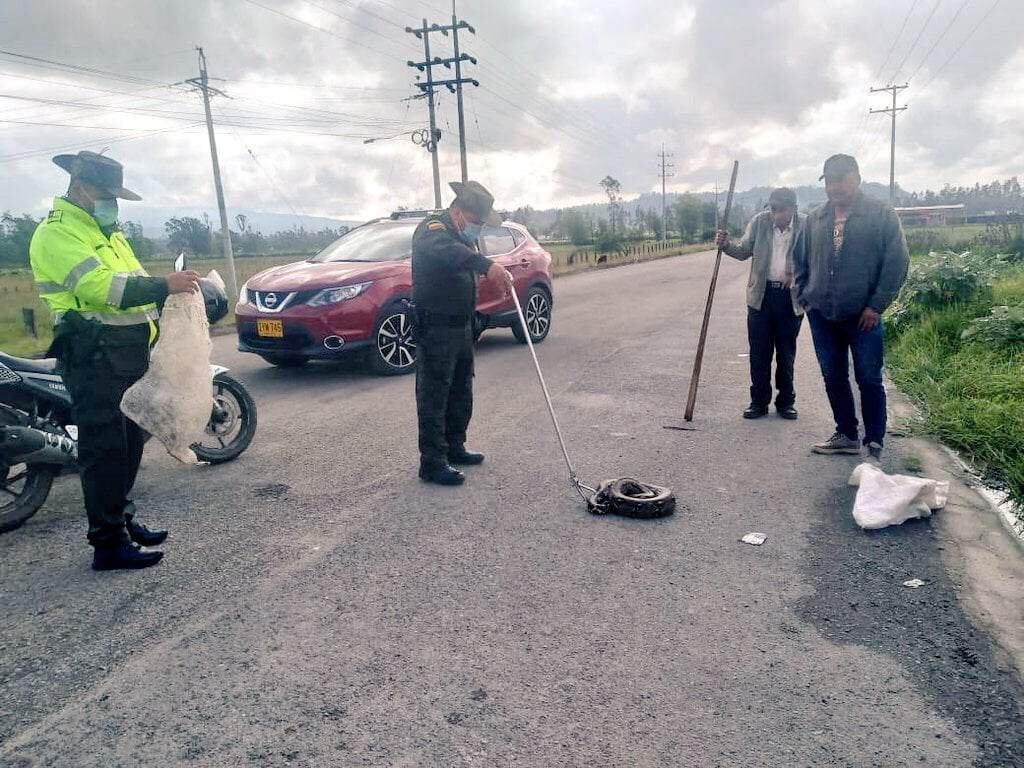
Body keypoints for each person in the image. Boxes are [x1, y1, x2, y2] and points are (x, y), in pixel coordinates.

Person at [30, 151, 201, 570]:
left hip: (125, 356)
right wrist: (164, 285)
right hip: (94, 355)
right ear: (84, 188)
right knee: (104, 450)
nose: (113, 204)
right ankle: (107, 543)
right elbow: (100, 288)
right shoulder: (58, 234)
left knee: (127, 447)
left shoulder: (108, 232)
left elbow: (135, 283)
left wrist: (171, 296)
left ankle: (121, 520)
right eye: (108, 195)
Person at [793, 154, 909, 461]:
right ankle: (846, 433)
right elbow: (799, 260)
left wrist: (876, 305)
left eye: (841, 180)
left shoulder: (880, 214)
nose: (835, 187)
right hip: (822, 314)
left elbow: (896, 262)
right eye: (829, 181)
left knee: (868, 377)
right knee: (832, 375)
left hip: (864, 317)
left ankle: (874, 440)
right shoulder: (815, 219)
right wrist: (804, 295)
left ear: (856, 177)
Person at [412, 180, 513, 486]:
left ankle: (455, 446)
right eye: (476, 222)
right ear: (458, 212)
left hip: (461, 325)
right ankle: (432, 461)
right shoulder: (433, 231)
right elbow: (451, 254)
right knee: (435, 394)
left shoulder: (462, 235)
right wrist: (488, 266)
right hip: (436, 326)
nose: (478, 230)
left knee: (460, 389)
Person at [716, 187, 806, 420]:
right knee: (759, 352)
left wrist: (795, 273)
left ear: (794, 209)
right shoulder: (759, 223)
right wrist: (725, 245)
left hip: (790, 299)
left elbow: (814, 259)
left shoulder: (805, 226)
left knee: (786, 353)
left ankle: (786, 402)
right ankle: (758, 402)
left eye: (781, 210)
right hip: (761, 298)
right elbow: (743, 251)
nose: (776, 215)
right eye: (773, 209)